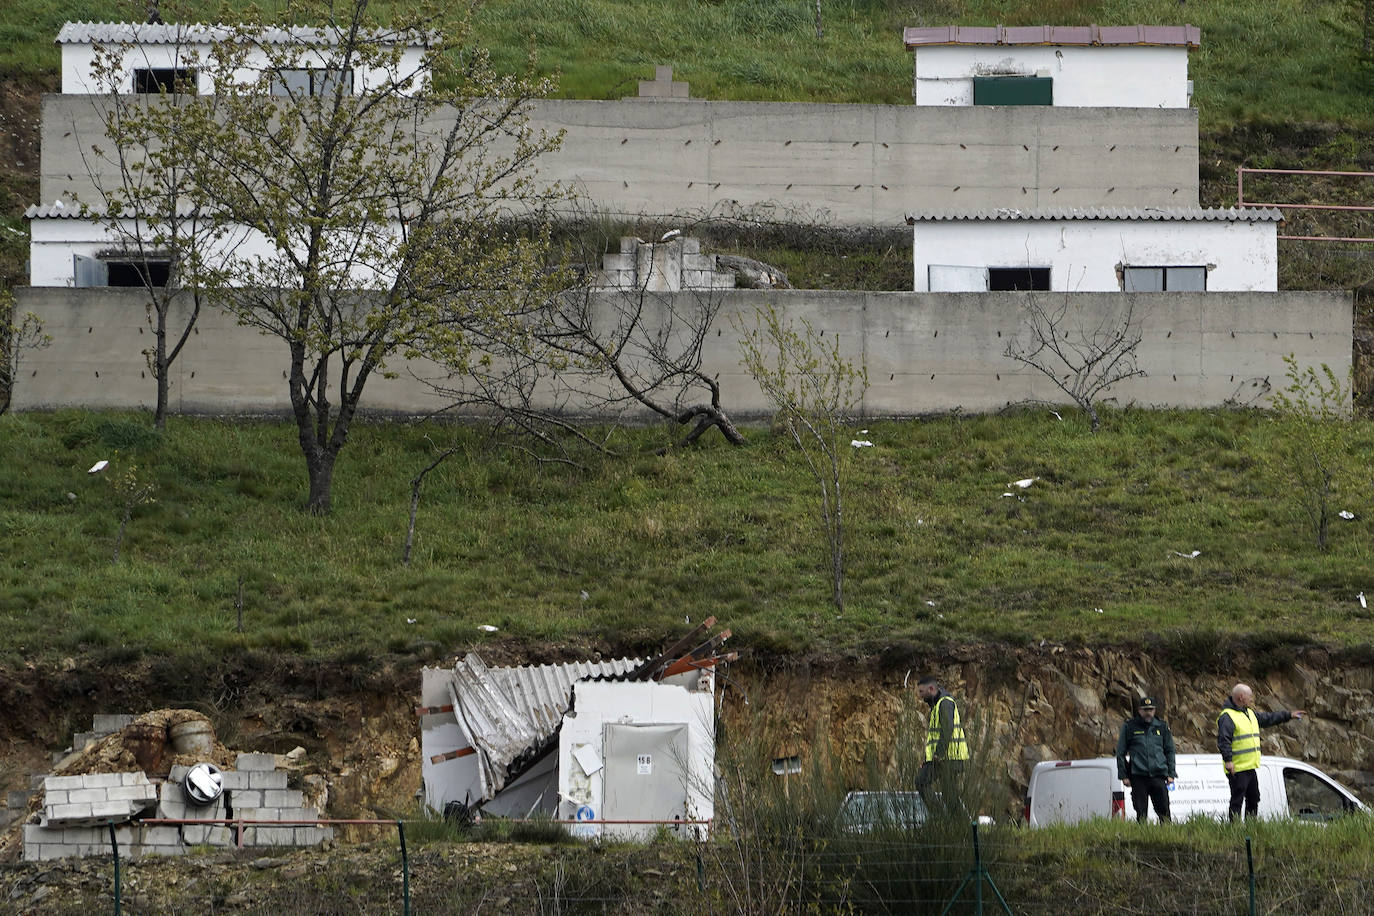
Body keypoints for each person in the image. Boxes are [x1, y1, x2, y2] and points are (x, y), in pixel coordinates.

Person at [1217, 682, 1305, 821]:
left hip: (1250, 766)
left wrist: (1288, 715)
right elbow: (1224, 740)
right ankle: (1234, 831)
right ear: (1241, 697)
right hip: (1237, 768)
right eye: (1250, 696)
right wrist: (1228, 761)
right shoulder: (1228, 716)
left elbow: (1268, 719)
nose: (1252, 699)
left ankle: (1251, 827)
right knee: (1237, 800)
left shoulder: (1249, 713)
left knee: (1254, 798)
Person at [1114, 696, 1177, 823]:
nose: (1148, 712)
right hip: (1139, 776)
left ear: (1154, 710)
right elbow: (1120, 753)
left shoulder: (1162, 727)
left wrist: (1171, 773)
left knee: (1164, 812)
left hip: (1158, 775)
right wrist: (1124, 775)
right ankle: (1142, 838)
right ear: (1139, 710)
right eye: (1145, 710)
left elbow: (1170, 751)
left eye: (1151, 709)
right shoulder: (1130, 727)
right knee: (1141, 814)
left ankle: (1167, 838)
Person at [916, 676, 968, 795]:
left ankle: (938, 813)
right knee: (949, 795)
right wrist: (926, 759)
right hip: (945, 757)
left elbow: (947, 729)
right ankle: (949, 814)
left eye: (921, 691)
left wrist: (938, 754)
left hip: (947, 757)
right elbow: (934, 737)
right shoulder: (937, 705)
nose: (920, 695)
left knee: (921, 782)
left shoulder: (944, 703)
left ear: (931, 689)